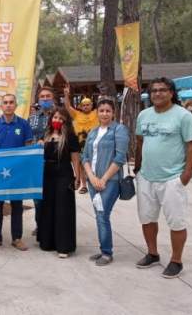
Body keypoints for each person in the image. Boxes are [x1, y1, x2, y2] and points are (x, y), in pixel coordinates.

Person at [134, 77, 192, 279]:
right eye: (154, 90)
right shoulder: (143, 115)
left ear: (172, 93)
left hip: (172, 178)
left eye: (163, 90)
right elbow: (139, 141)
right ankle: (152, 253)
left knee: (176, 222)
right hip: (146, 177)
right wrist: (137, 168)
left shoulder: (184, 116)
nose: (158, 94)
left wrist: (185, 175)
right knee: (147, 219)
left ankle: (176, 260)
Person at [82, 99, 130, 266]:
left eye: (108, 111)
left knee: (102, 215)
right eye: (101, 110)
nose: (104, 113)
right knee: (99, 215)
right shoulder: (93, 132)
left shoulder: (119, 130)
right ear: (97, 112)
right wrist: (92, 177)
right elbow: (85, 157)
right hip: (93, 181)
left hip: (109, 181)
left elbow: (120, 157)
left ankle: (107, 253)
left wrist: (103, 179)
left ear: (113, 113)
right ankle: (104, 247)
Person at [0, 94, 33, 251]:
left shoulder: (24, 125)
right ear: (1, 106)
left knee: (16, 205)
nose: (8, 105)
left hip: (17, 173)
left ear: (16, 105)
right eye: (5, 102)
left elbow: (28, 149)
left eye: (11, 102)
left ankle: (17, 238)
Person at [37, 107, 81, 258]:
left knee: (63, 209)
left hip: (64, 173)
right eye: (55, 117)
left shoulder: (70, 137)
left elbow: (75, 158)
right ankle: (47, 242)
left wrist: (77, 176)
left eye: (61, 118)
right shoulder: (46, 136)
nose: (57, 120)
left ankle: (64, 246)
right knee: (48, 207)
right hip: (47, 175)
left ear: (66, 121)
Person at [28, 86, 58, 236]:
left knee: (53, 197)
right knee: (37, 198)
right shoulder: (32, 118)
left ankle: (52, 226)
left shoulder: (60, 116)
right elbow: (27, 138)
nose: (45, 99)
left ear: (53, 98)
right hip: (35, 163)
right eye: (42, 96)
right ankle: (40, 225)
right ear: (38, 100)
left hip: (54, 162)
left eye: (48, 96)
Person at [64, 84, 98, 194]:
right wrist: (66, 95)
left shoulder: (96, 113)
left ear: (92, 105)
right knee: (81, 165)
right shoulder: (76, 114)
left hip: (95, 143)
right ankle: (84, 185)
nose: (86, 107)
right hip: (80, 144)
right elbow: (68, 107)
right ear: (80, 106)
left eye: (88, 105)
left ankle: (95, 183)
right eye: (84, 105)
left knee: (95, 164)